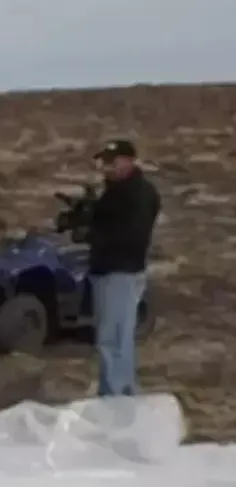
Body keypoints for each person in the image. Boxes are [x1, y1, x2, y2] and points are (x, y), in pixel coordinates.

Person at [86, 139, 161, 397]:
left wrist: (94, 234)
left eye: (112, 162)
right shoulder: (116, 192)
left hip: (121, 271)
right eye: (104, 162)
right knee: (114, 334)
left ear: (128, 161)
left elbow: (133, 235)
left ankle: (116, 396)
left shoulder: (138, 194)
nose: (106, 167)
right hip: (109, 270)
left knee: (114, 337)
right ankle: (119, 390)